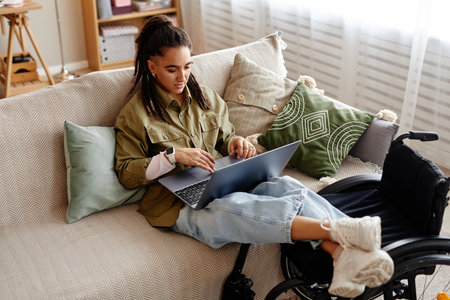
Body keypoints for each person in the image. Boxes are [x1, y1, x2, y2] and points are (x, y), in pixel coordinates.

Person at [114, 15, 394, 298]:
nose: (182, 77)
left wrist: (236, 142)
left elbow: (225, 139)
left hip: (219, 181)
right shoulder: (135, 114)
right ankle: (344, 233)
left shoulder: (206, 98)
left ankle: (347, 254)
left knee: (285, 186)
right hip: (177, 205)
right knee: (235, 208)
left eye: (187, 67)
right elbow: (126, 172)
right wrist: (172, 157)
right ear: (152, 67)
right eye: (172, 69)